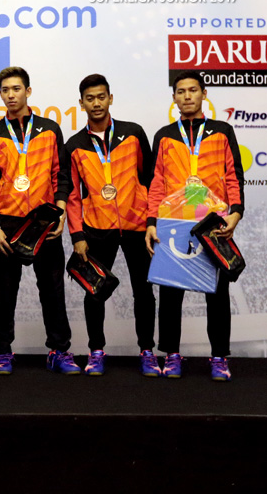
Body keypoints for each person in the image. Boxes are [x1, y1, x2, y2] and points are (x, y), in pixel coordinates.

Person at [144, 69, 244, 381]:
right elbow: (156, 183)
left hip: (212, 224)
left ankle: (219, 357)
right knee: (170, 292)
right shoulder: (164, 135)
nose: (187, 96)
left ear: (204, 94)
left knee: (218, 293)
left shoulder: (222, 131)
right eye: (181, 91)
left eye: (193, 90)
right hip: (174, 223)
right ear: (174, 97)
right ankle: (172, 355)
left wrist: (236, 213)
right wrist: (151, 222)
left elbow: (234, 175)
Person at [61, 74, 157, 377]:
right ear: (81, 103)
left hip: (136, 227)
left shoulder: (133, 134)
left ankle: (147, 351)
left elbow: (149, 180)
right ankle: (96, 351)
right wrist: (77, 235)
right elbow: (72, 196)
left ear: (110, 98)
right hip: (97, 229)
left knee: (144, 291)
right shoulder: (74, 145)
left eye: (101, 97)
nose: (96, 103)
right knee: (95, 291)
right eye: (90, 98)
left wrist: (151, 220)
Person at [0, 66, 79, 375]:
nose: (10, 95)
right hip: (8, 226)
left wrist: (60, 211)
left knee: (53, 290)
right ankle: (2, 351)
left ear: (27, 91)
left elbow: (60, 174)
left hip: (43, 223)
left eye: (16, 89)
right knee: (4, 293)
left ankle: (59, 351)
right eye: (5, 90)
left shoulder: (50, 129)